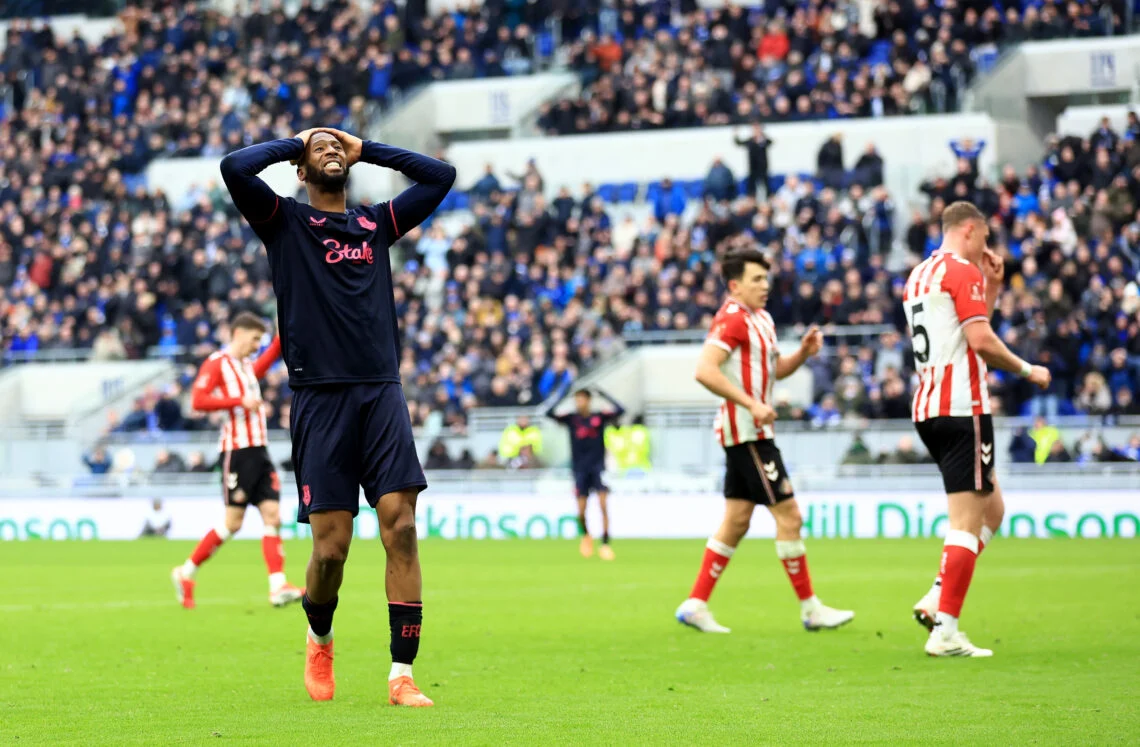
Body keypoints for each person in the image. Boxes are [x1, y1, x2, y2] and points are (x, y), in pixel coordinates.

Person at [220, 127, 455, 705]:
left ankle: (402, 674)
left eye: (335, 147)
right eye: (317, 150)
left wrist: (364, 147)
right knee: (331, 550)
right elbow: (234, 167)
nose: (329, 150)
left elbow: (440, 177)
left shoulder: (375, 223)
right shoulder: (284, 223)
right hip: (319, 399)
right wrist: (294, 141)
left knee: (400, 525)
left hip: (380, 392)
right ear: (301, 171)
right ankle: (319, 633)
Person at [675, 249, 854, 633]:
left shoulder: (764, 320)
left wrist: (803, 354)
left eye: (766, 278)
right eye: (756, 279)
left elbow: (774, 371)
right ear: (735, 284)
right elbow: (704, 371)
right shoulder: (732, 318)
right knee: (790, 516)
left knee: (736, 521)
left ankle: (695, 603)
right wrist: (751, 404)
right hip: (748, 434)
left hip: (752, 431)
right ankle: (810, 609)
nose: (764, 285)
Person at [902, 201, 1050, 657]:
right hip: (964, 408)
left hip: (929, 407)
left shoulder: (919, 276)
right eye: (985, 238)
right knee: (966, 523)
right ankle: (945, 630)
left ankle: (936, 597)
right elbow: (980, 340)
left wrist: (994, 285)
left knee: (993, 510)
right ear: (970, 229)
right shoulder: (961, 270)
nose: (987, 248)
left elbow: (963, 326)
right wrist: (1028, 369)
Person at [171, 313, 304, 609]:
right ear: (239, 334)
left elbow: (269, 357)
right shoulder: (217, 362)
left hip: (259, 450)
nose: (257, 345)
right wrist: (237, 402)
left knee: (272, 516)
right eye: (255, 339)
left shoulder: (245, 367)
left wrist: (284, 326)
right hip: (238, 451)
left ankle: (277, 585)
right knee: (233, 522)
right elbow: (198, 400)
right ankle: (186, 571)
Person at [546, 388, 625, 560]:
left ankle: (605, 545)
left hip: (598, 468)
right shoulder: (572, 419)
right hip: (579, 470)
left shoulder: (599, 417)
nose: (578, 403)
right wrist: (563, 394)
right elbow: (548, 413)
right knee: (581, 512)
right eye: (576, 400)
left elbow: (621, 410)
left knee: (603, 507)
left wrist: (603, 393)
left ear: (588, 400)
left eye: (581, 399)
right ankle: (587, 536)